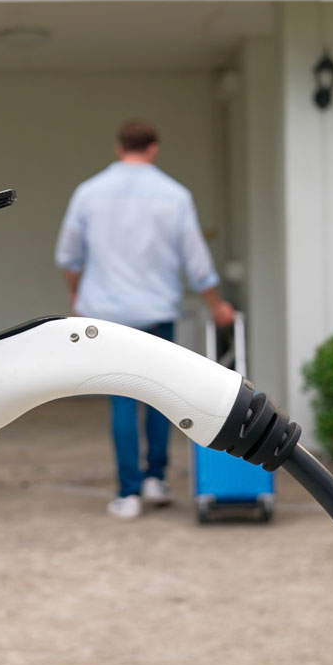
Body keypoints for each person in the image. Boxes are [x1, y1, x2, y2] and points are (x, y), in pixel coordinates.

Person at [55, 119, 235, 521]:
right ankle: (156, 477)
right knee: (159, 396)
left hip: (107, 313)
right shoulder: (175, 195)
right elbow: (197, 261)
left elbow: (68, 256)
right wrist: (215, 304)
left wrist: (75, 294)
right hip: (158, 311)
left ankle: (128, 492)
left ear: (120, 148)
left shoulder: (89, 193)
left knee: (121, 398)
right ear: (152, 148)